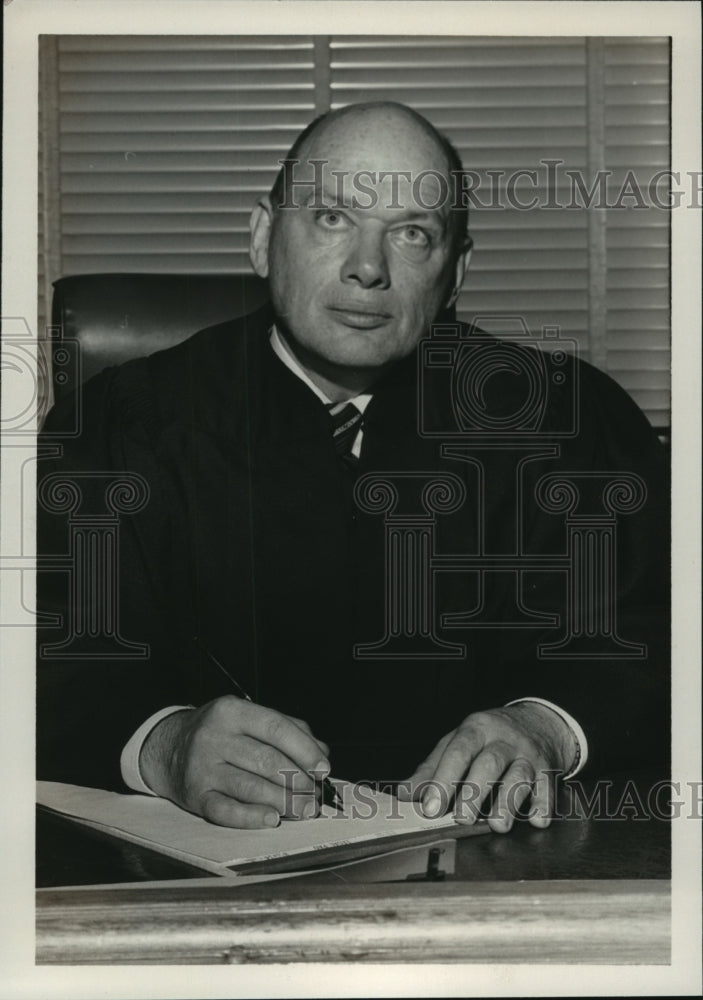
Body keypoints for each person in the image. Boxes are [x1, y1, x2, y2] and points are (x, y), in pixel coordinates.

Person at [37, 102, 669, 835]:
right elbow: (50, 660)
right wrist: (163, 744)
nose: (367, 268)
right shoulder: (125, 421)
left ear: (455, 270)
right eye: (332, 218)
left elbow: (654, 632)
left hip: (497, 854)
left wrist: (547, 729)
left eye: (410, 234)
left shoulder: (567, 417)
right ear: (263, 236)